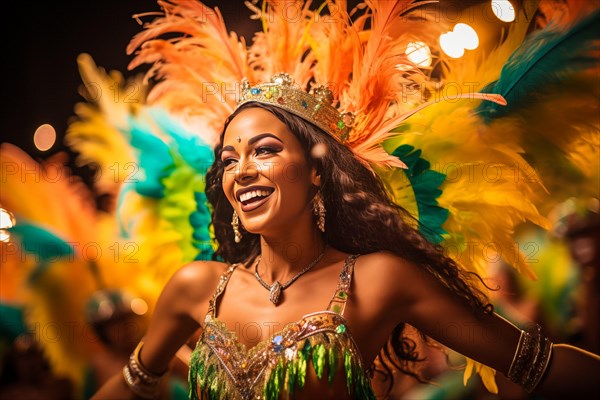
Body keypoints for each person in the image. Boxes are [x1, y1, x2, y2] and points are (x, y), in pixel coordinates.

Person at [91, 72, 600, 399]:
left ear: (316, 171)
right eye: (228, 159)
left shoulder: (378, 280)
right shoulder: (197, 287)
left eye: (264, 150)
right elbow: (135, 385)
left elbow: (537, 366)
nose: (240, 170)